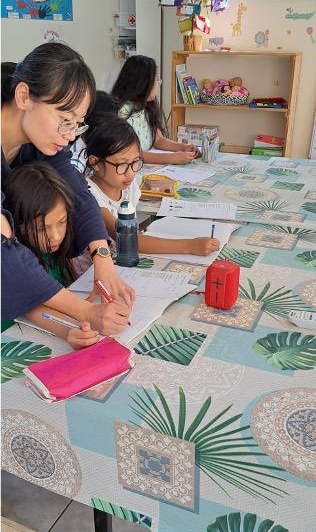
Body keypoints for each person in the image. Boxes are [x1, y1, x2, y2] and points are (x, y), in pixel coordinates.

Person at [1, 43, 134, 329]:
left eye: (78, 125)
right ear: (24, 96)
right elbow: (3, 252)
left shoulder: (38, 143)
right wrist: (85, 314)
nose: (69, 136)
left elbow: (79, 192)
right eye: (64, 121)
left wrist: (102, 255)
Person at [2, 163, 130, 346]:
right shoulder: (17, 262)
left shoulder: (54, 252)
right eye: (41, 228)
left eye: (62, 222)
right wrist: (68, 329)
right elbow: (31, 305)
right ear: (16, 224)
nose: (55, 236)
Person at [84, 116, 220, 257]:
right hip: (93, 270)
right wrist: (190, 246)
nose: (131, 173)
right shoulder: (89, 196)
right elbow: (128, 240)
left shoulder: (126, 185)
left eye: (136, 162)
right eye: (122, 165)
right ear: (95, 163)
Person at [111, 55, 200, 165]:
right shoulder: (121, 112)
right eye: (157, 80)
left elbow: (158, 140)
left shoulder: (147, 106)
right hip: (132, 169)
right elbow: (133, 154)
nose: (158, 85)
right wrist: (172, 158)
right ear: (143, 84)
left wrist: (183, 147)